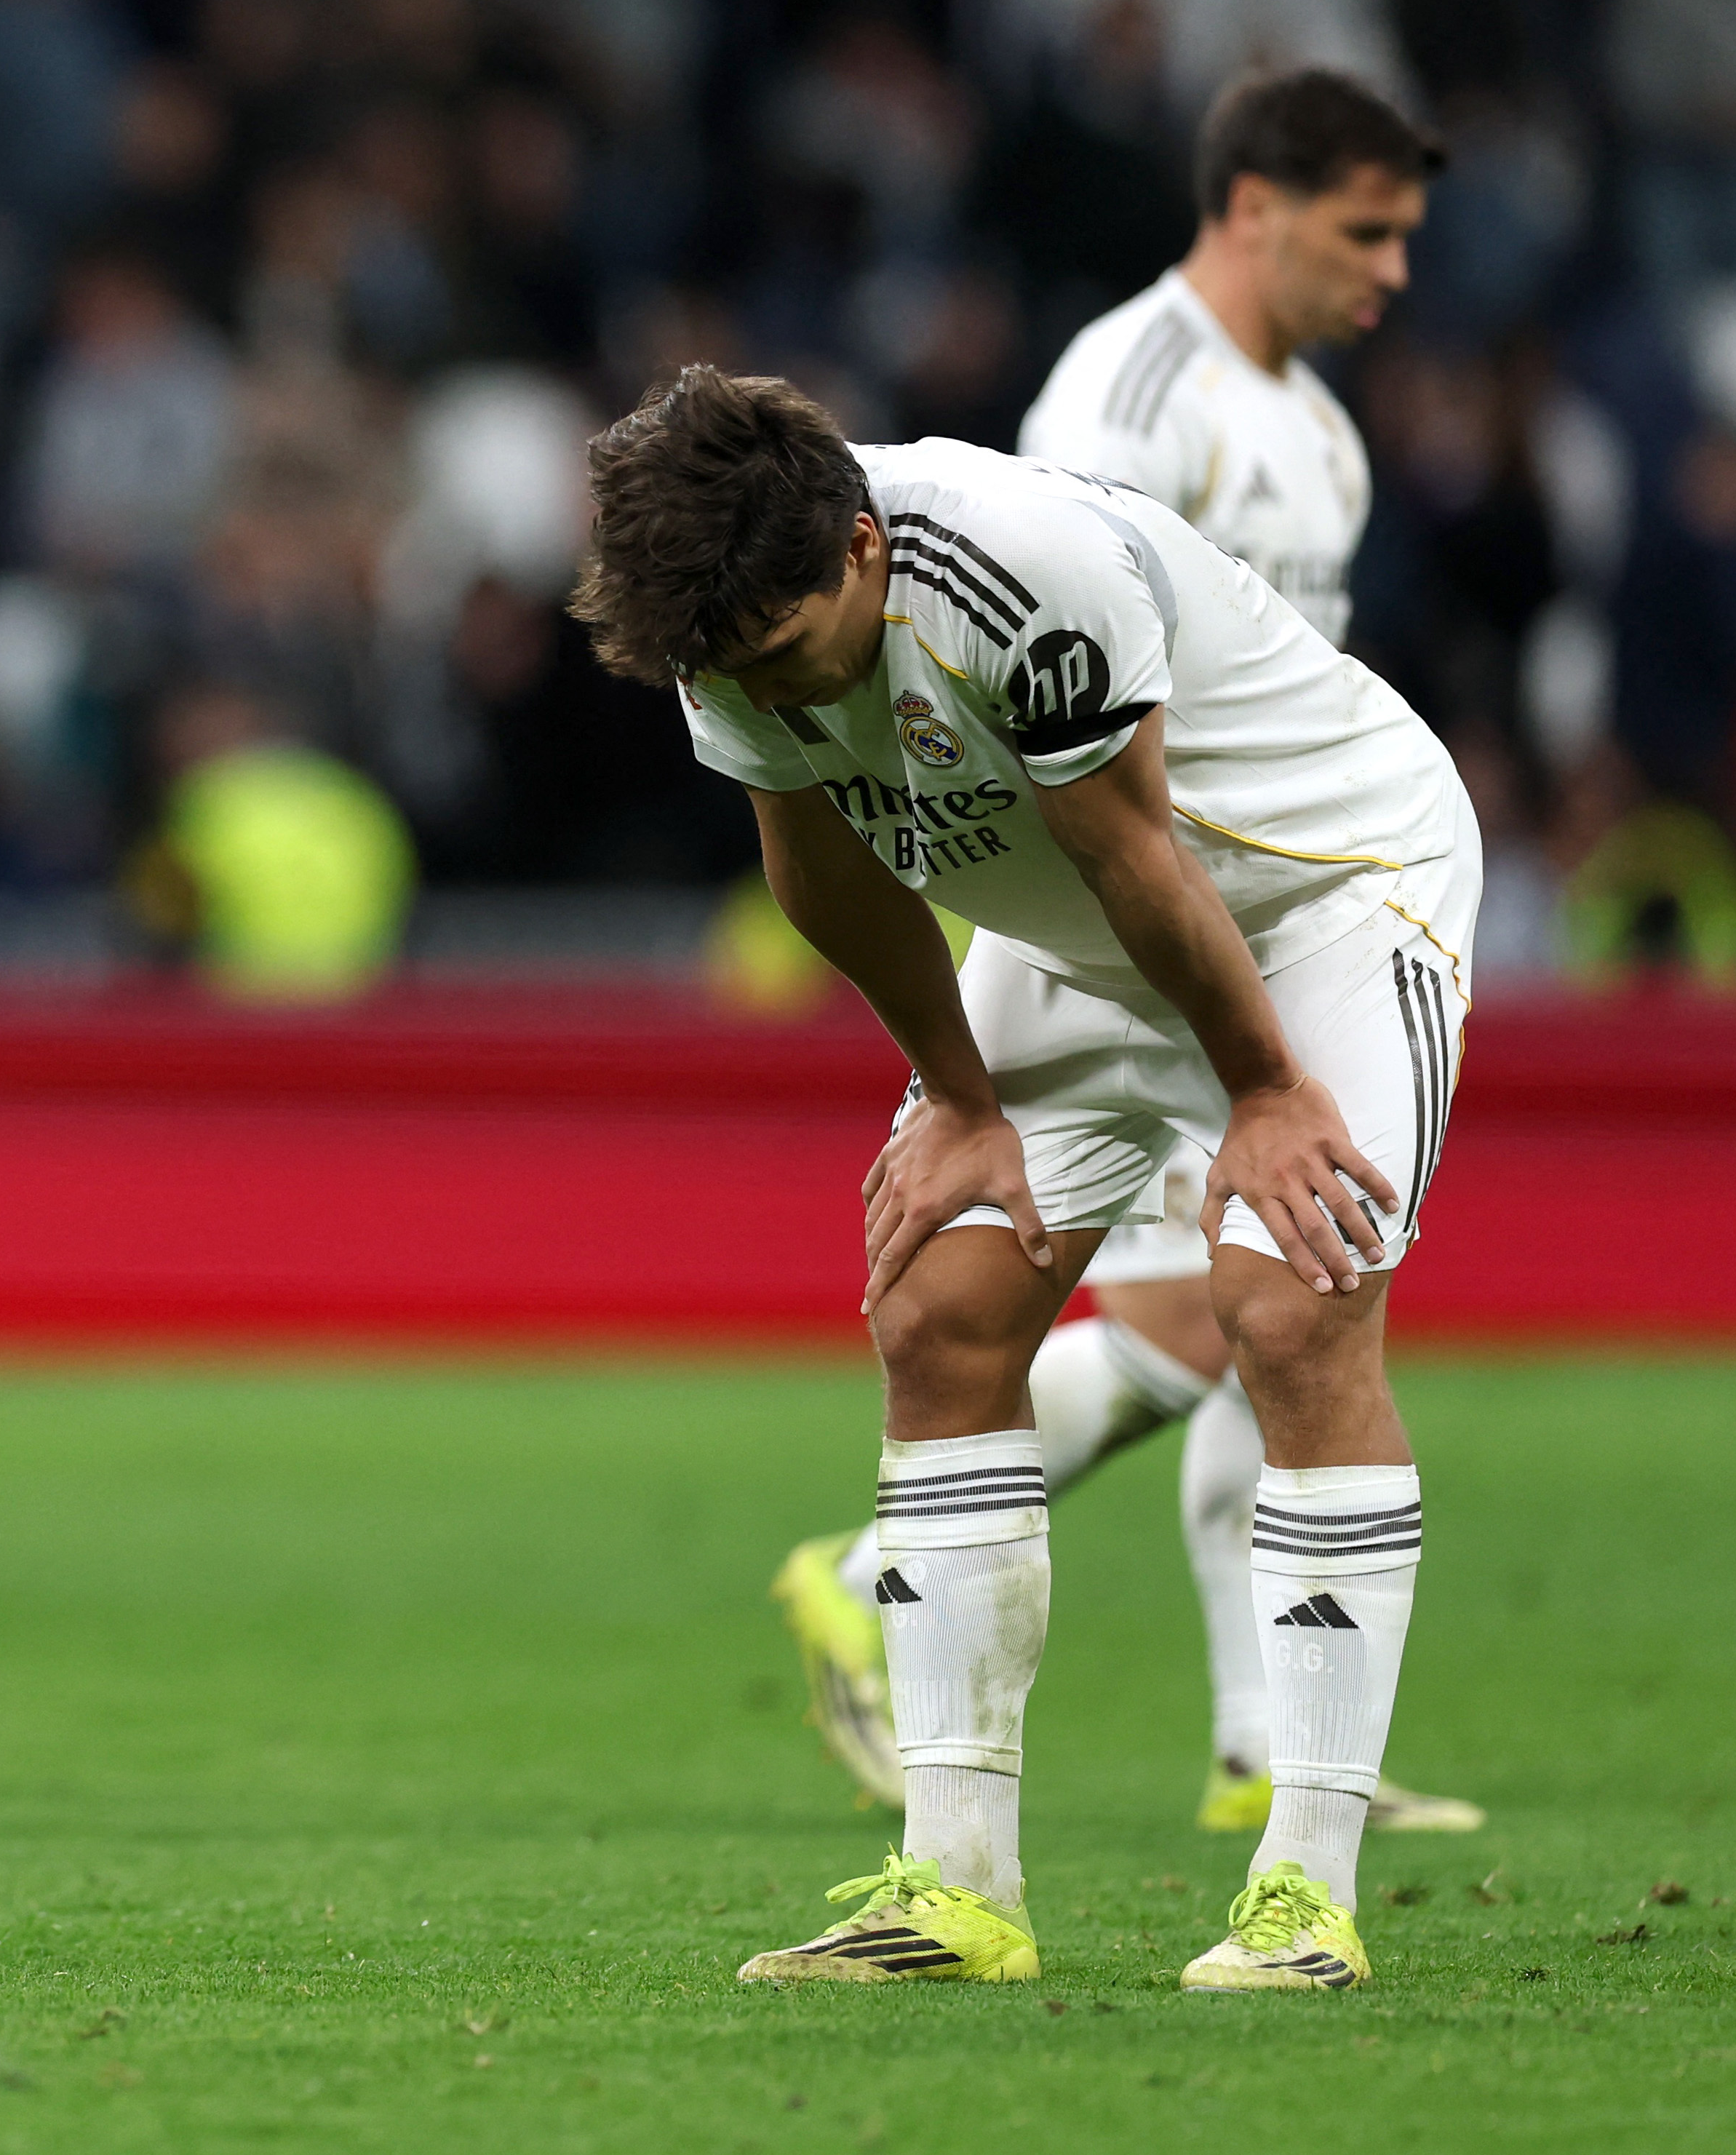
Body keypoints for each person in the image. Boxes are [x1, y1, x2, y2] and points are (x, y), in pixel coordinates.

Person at [577, 367, 1476, 1993]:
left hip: (1316, 894)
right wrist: (956, 1093)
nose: (758, 692)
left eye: (782, 656)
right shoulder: (724, 613)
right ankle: (954, 1888)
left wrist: (1267, 1092)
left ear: (861, 546)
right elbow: (820, 868)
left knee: (1287, 1304)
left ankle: (1306, 1896)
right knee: (937, 1309)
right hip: (1077, 920)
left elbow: (1145, 854)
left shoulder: (1018, 569)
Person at [770, 68, 1484, 1839]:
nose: (1391, 273)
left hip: (1257, 893)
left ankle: (1261, 1744)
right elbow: (1038, 704)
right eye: (1363, 229)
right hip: (1133, 913)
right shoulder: (1126, 388)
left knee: (1250, 1312)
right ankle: (875, 1582)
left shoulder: (1320, 434)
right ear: (1252, 202)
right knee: (1206, 1311)